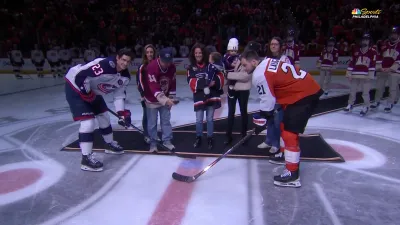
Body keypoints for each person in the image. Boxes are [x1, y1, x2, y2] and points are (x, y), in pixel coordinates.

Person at [241, 50, 323, 187]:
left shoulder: (259, 74)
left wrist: (263, 119)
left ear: (254, 62)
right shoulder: (267, 61)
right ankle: (286, 154)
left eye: (245, 65)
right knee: (284, 126)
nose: (244, 68)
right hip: (300, 90)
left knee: (289, 132)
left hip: (303, 95)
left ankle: (292, 175)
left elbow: (268, 100)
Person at [64, 48, 134, 172]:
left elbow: (119, 95)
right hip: (75, 85)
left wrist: (121, 114)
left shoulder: (125, 77)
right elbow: (81, 75)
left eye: (128, 61)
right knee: (88, 123)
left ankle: (109, 144)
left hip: (92, 90)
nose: (125, 63)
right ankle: (86, 158)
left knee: (104, 117)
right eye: (123, 60)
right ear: (117, 57)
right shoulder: (105, 65)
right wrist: (86, 93)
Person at [187, 44, 224, 149]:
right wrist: (206, 82)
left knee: (210, 119)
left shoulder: (211, 65)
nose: (198, 55)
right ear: (193, 55)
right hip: (199, 97)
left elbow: (220, 77)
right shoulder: (191, 68)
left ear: (203, 54)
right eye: (196, 53)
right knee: (199, 119)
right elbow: (191, 81)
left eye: (200, 53)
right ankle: (198, 137)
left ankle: (210, 138)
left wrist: (215, 82)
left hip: (211, 96)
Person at [257, 37, 290, 154]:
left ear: (280, 46)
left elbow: (287, 77)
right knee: (269, 119)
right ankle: (268, 140)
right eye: (271, 44)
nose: (273, 46)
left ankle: (276, 144)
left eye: (276, 44)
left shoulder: (285, 60)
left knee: (277, 122)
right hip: (268, 94)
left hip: (279, 96)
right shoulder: (266, 59)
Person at [142, 48, 177, 152]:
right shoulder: (152, 66)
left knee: (166, 121)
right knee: (152, 123)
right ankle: (153, 144)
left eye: (168, 61)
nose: (166, 64)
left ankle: (167, 141)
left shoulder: (172, 67)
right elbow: (153, 86)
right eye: (164, 62)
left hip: (165, 98)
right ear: (159, 58)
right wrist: (165, 100)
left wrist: (171, 97)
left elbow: (173, 82)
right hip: (151, 99)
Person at [224, 38, 252, 145]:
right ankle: (228, 135)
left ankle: (244, 135)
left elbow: (245, 76)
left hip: (243, 90)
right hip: (232, 89)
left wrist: (229, 75)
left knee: (243, 112)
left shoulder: (247, 60)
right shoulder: (228, 58)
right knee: (231, 112)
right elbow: (226, 69)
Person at [344, 33, 377, 116]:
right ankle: (350, 104)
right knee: (352, 91)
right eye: (363, 39)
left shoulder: (373, 52)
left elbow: (373, 64)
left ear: (369, 41)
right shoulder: (356, 50)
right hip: (355, 74)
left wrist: (370, 76)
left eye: (367, 39)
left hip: (366, 75)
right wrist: (349, 74)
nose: (365, 41)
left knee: (365, 92)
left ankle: (366, 106)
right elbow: (352, 62)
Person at [372, 26, 400, 113]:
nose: (393, 36)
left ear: (398, 35)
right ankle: (377, 101)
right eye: (392, 34)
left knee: (393, 87)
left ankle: (390, 102)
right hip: (383, 69)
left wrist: (391, 68)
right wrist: (380, 67)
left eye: (395, 34)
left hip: (395, 70)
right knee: (379, 86)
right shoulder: (385, 44)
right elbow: (380, 56)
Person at [136, 44, 156, 144]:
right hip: (146, 96)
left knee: (154, 117)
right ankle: (146, 135)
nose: (149, 54)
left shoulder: (157, 65)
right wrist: (142, 95)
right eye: (147, 52)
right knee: (147, 116)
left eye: (151, 52)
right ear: (145, 54)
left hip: (156, 96)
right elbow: (139, 82)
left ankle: (154, 135)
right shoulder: (142, 67)